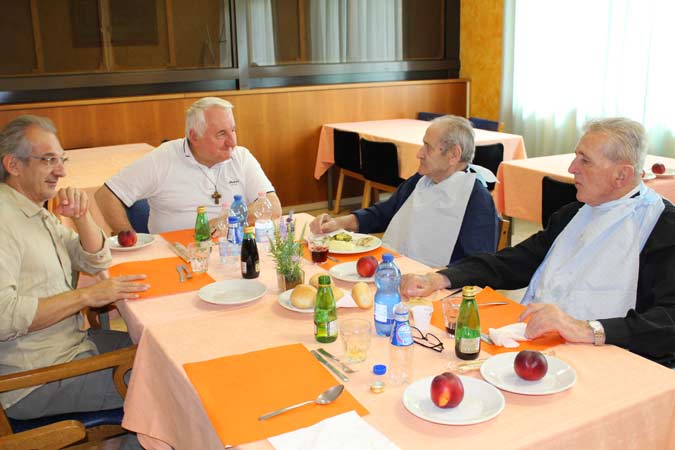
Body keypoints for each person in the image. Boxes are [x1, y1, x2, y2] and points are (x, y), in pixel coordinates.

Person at [402, 118, 675, 364]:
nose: (572, 168)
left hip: (614, 361)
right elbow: (515, 261)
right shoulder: (574, 214)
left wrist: (586, 329)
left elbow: (669, 321)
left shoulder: (662, 227)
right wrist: (442, 278)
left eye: (585, 160)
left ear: (622, 175)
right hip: (544, 347)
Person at [0, 115, 148, 448]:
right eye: (48, 160)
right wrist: (86, 297)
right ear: (13, 165)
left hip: (72, 348)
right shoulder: (4, 221)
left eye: (61, 159)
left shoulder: (33, 211)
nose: (61, 171)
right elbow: (4, 317)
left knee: (164, 354)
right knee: (166, 388)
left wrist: (81, 216)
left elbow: (95, 260)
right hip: (34, 381)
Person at [310, 115, 498, 267]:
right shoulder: (420, 180)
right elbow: (384, 213)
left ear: (454, 154)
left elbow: (478, 265)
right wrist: (338, 223)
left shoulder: (476, 198)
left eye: (428, 147)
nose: (419, 153)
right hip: (398, 269)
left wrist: (437, 279)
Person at [95, 97, 282, 234]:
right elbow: (106, 195)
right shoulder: (163, 158)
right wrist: (129, 238)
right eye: (221, 134)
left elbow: (273, 207)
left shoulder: (241, 157)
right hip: (174, 254)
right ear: (194, 136)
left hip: (231, 249)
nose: (232, 142)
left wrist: (228, 221)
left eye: (233, 130)